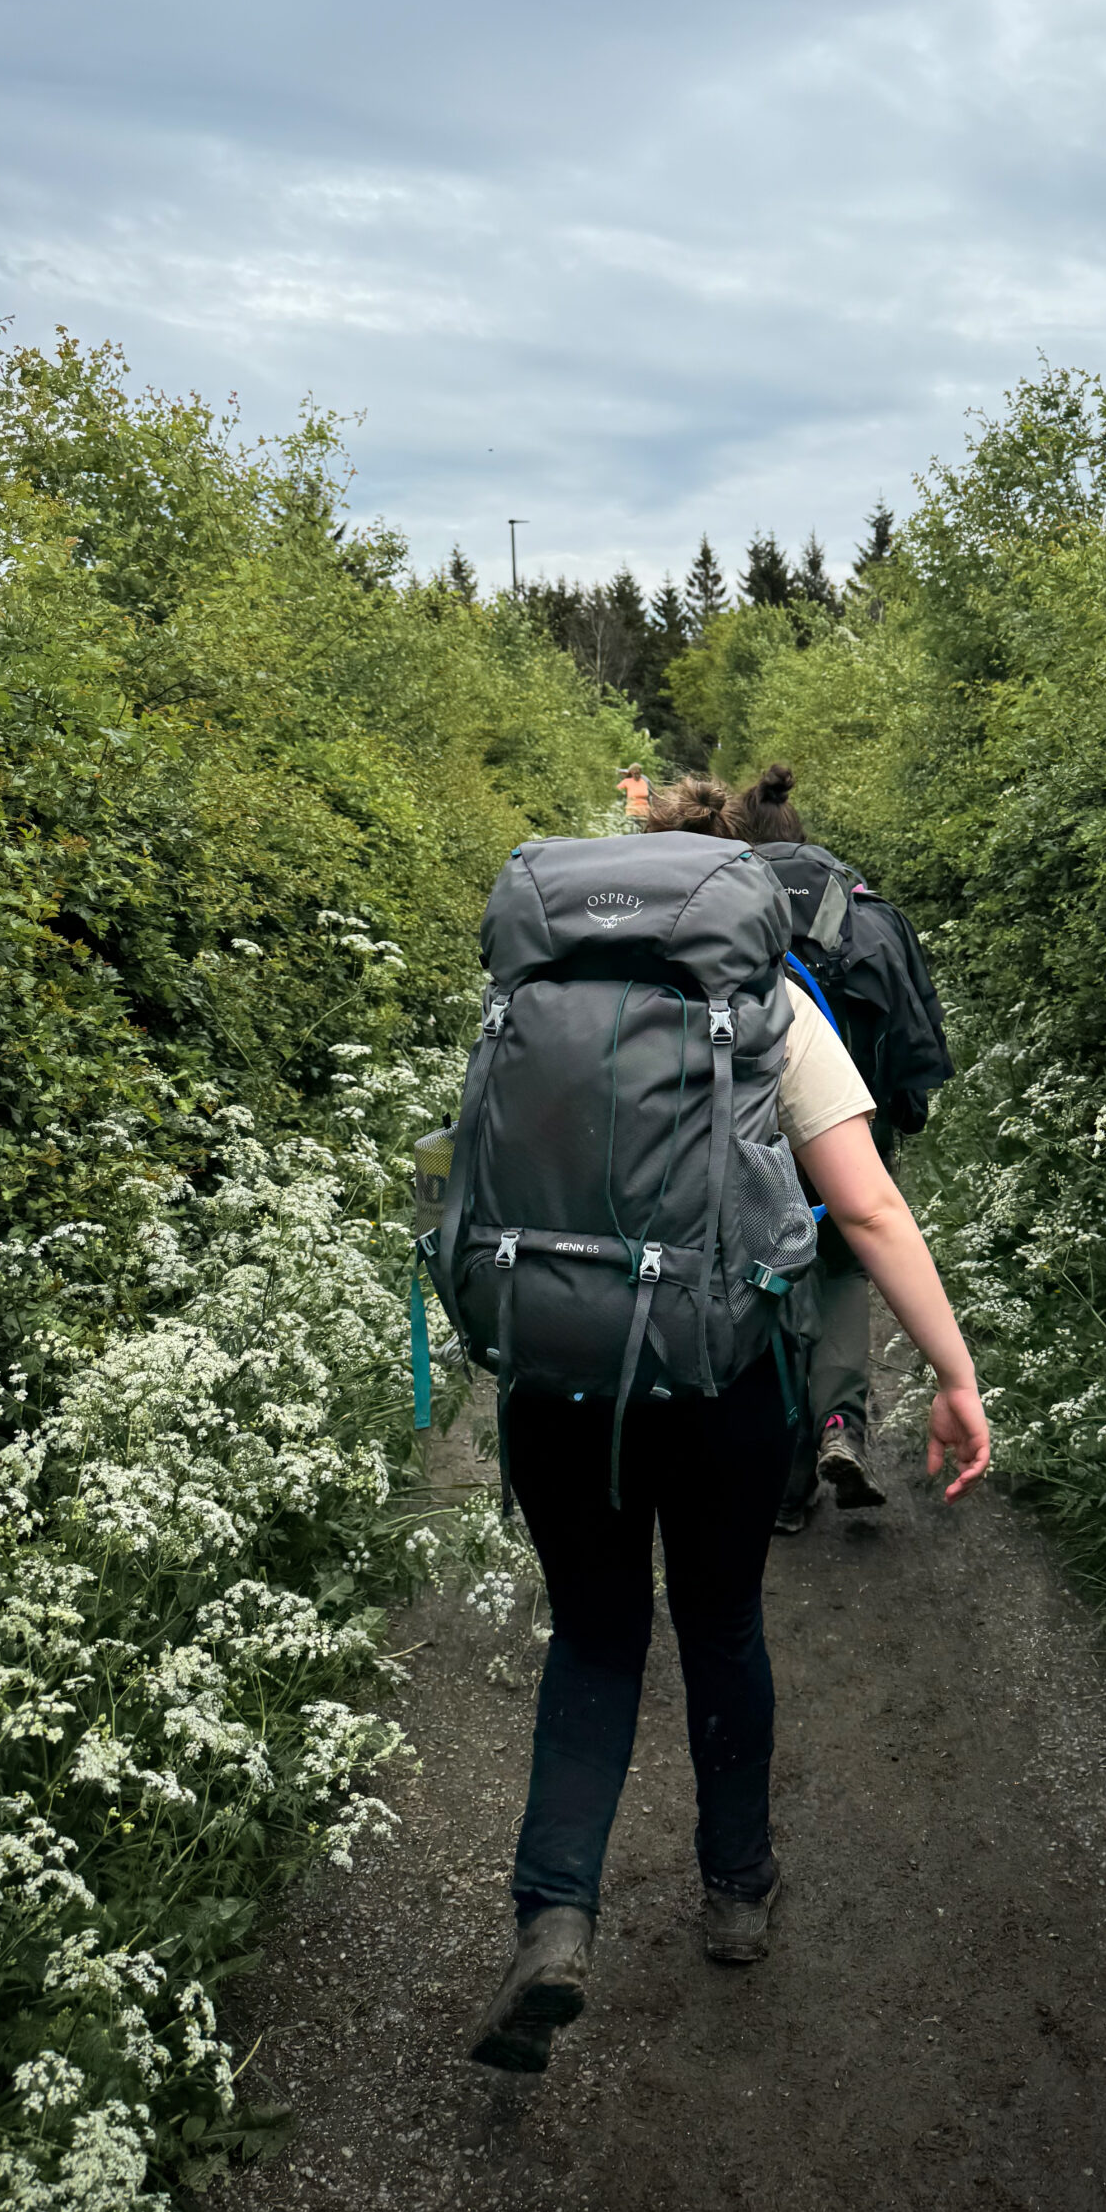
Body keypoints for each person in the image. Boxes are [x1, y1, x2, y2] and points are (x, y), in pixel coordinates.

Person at [455, 773, 989, 2071]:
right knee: (720, 1625)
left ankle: (555, 1920)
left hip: (557, 1383)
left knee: (591, 1641)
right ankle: (737, 1891)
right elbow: (865, 1211)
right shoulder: (767, 1003)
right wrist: (956, 1376)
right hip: (718, 1380)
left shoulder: (527, 998)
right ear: (732, 897)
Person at [729, 763, 955, 1530]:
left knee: (769, 1279)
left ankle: (785, 1486)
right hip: (854, 1133)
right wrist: (897, 1116)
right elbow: (917, 1041)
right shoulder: (872, 915)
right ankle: (840, 1423)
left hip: (758, 1138)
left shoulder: (721, 917)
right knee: (844, 1269)